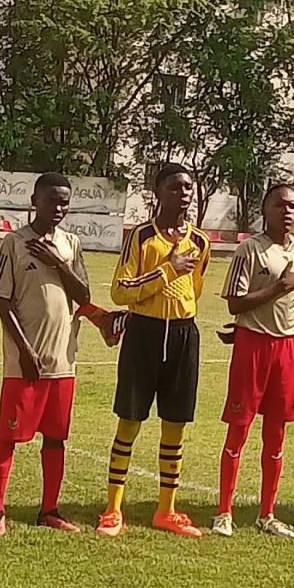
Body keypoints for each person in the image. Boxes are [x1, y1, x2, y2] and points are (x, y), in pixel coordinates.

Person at [100, 162, 210, 537]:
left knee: (175, 425)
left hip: (182, 334)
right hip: (144, 333)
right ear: (158, 191)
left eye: (188, 187)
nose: (184, 193)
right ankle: (113, 509)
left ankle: (166, 509)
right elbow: (120, 290)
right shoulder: (142, 237)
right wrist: (167, 269)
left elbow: (195, 290)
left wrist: (176, 300)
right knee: (130, 420)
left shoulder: (201, 242)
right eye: (175, 187)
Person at [0, 173, 94, 535]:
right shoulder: (14, 243)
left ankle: (50, 509)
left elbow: (84, 296)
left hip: (62, 360)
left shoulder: (71, 243)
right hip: (25, 362)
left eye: (64, 202)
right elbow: (2, 301)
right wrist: (25, 350)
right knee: (8, 436)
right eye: (51, 200)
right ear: (35, 201)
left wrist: (59, 262)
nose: (58, 208)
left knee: (56, 437)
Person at [214, 181, 294, 535]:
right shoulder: (250, 250)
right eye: (279, 205)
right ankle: (224, 512)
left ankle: (267, 514)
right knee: (239, 428)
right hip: (252, 346)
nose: (287, 211)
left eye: (292, 206)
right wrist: (278, 287)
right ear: (264, 210)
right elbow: (235, 303)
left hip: (287, 347)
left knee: (277, 433)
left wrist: (281, 300)